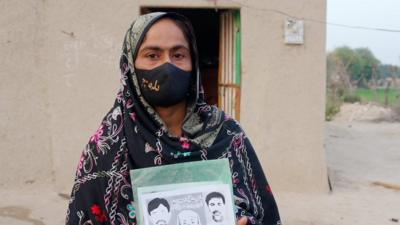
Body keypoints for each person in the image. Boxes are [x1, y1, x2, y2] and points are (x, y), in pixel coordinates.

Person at [66, 12, 281, 225]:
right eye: (153, 55)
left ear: (193, 63)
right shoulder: (107, 147)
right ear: (130, 65)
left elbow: (263, 212)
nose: (167, 66)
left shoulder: (226, 134)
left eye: (178, 55)